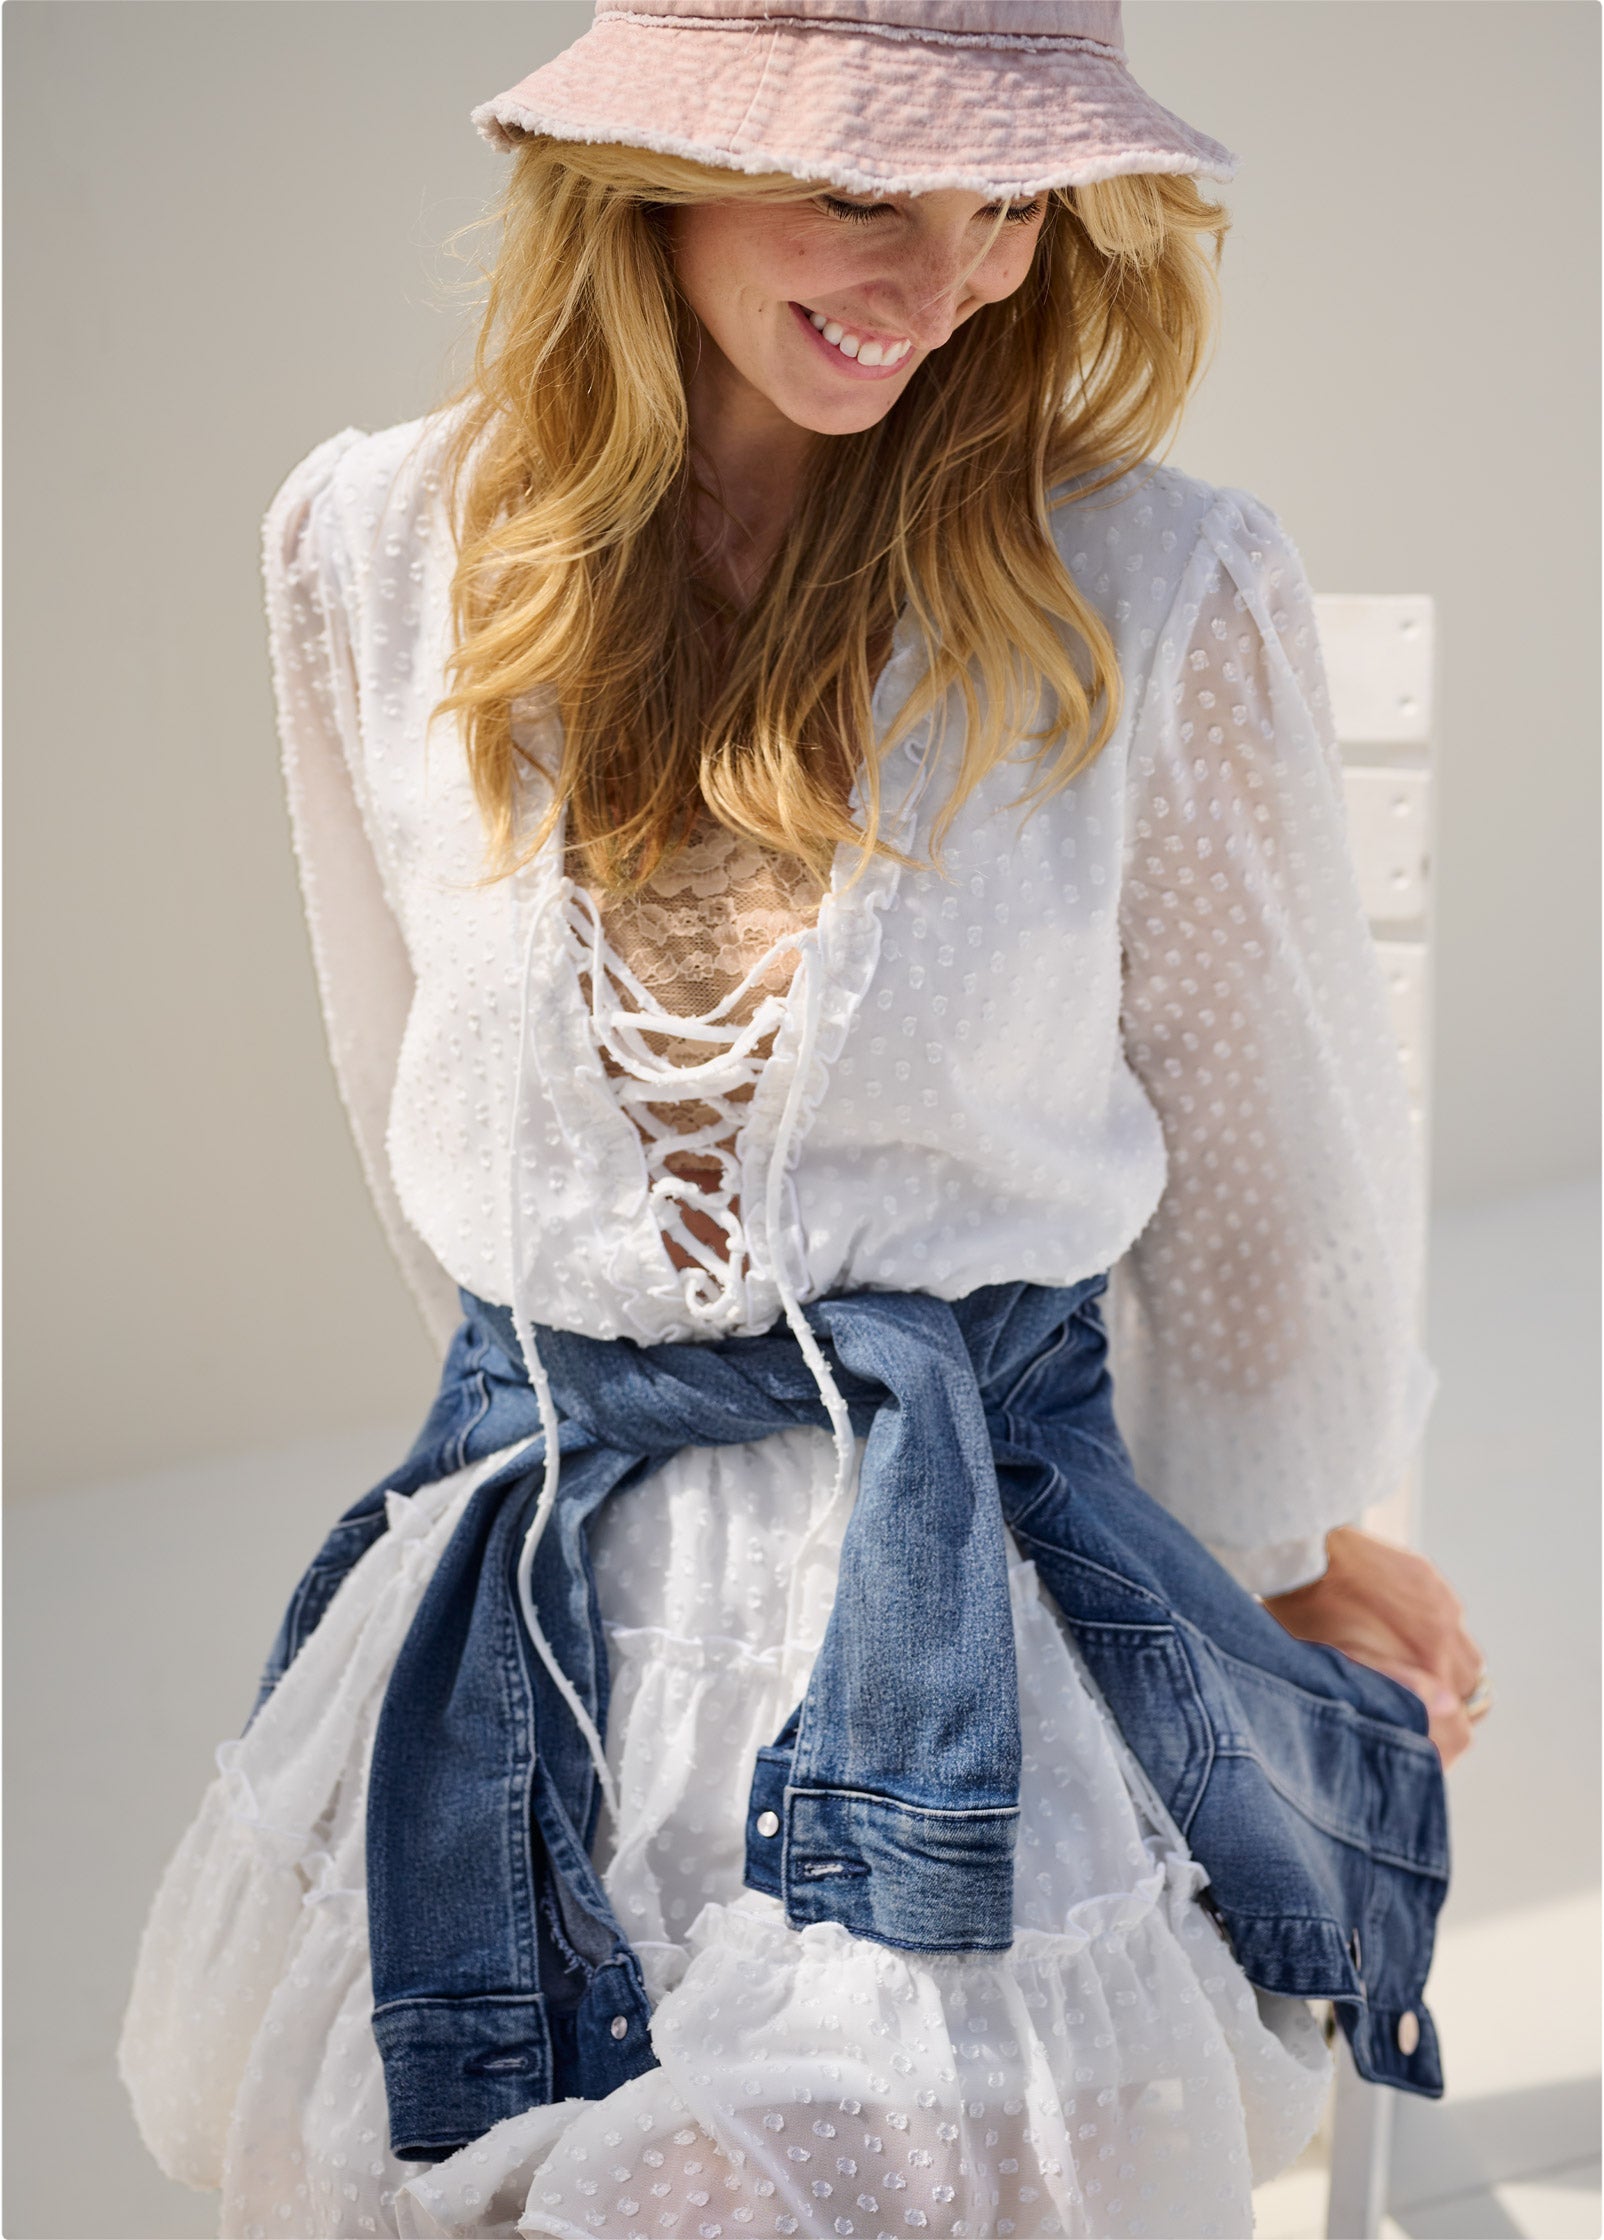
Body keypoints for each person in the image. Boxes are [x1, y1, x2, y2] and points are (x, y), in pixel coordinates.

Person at [118, 4, 1487, 2235]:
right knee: (368, 2162)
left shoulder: (1148, 588)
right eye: (862, 189)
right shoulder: (370, 549)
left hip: (970, 1602)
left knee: (729, 2190)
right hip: (531, 1579)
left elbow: (1268, 1189)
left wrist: (1293, 1547)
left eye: (1009, 200)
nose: (948, 277)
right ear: (646, 175)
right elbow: (423, 1107)